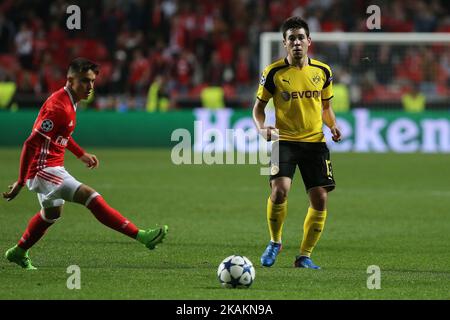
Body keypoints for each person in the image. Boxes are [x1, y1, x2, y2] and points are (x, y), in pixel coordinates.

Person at [3, 58, 168, 270]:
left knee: (51, 214)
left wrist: (80, 154)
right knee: (90, 196)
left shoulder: (70, 101)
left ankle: (18, 252)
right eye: (84, 81)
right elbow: (30, 143)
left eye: (92, 81)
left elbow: (62, 134)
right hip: (42, 169)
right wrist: (20, 180)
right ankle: (142, 236)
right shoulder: (58, 107)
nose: (90, 86)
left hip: (52, 166)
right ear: (70, 80)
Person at [252, 17, 341, 269]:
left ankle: (304, 256)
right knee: (279, 190)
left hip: (315, 142)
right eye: (292, 38)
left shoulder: (323, 71)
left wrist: (332, 124)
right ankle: (275, 241)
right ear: (284, 44)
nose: (297, 42)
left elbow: (326, 107)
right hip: (286, 141)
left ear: (309, 41)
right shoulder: (273, 72)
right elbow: (258, 108)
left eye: (301, 37)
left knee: (320, 199)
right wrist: (261, 128)